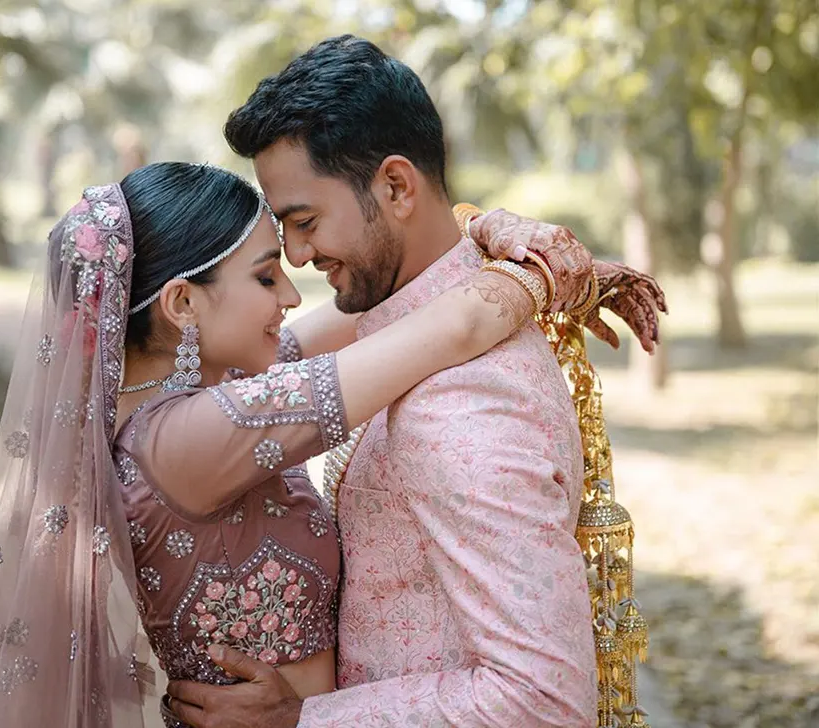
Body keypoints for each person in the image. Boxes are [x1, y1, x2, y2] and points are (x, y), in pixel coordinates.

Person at [0, 157, 651, 728]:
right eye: (265, 275)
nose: (290, 295)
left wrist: (488, 231)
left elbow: (396, 299)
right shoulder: (189, 438)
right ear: (184, 304)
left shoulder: (212, 402)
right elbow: (457, 326)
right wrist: (552, 265)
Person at [164, 36, 666, 728]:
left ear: (396, 186)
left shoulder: (462, 405)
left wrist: (302, 720)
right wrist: (510, 246)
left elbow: (543, 701)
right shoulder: (403, 328)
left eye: (305, 224)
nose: (301, 258)